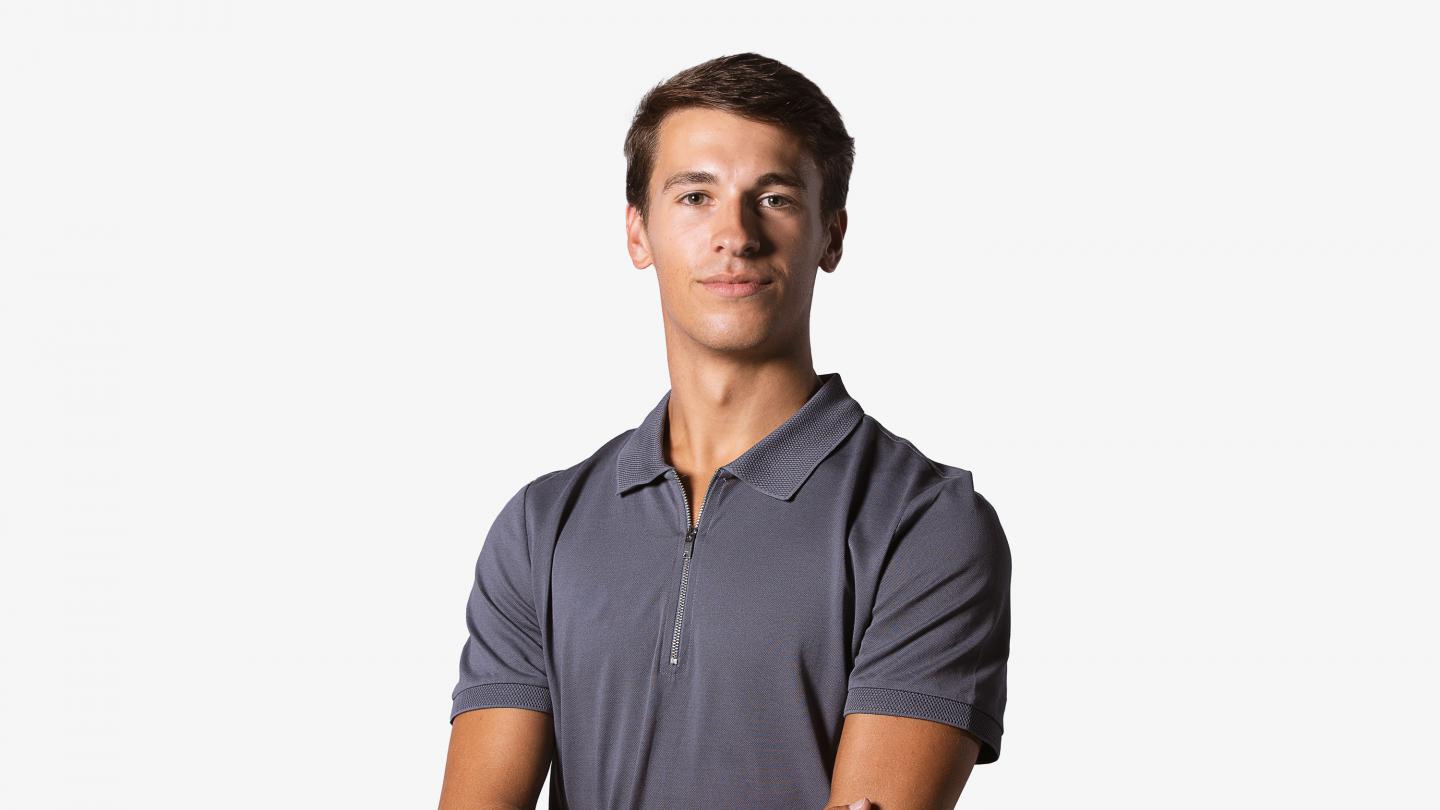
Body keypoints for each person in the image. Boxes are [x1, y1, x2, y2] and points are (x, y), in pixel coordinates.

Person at [438, 52, 1012, 810]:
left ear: (831, 236)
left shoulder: (926, 523)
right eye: (695, 196)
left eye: (773, 197)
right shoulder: (541, 528)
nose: (734, 234)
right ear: (638, 234)